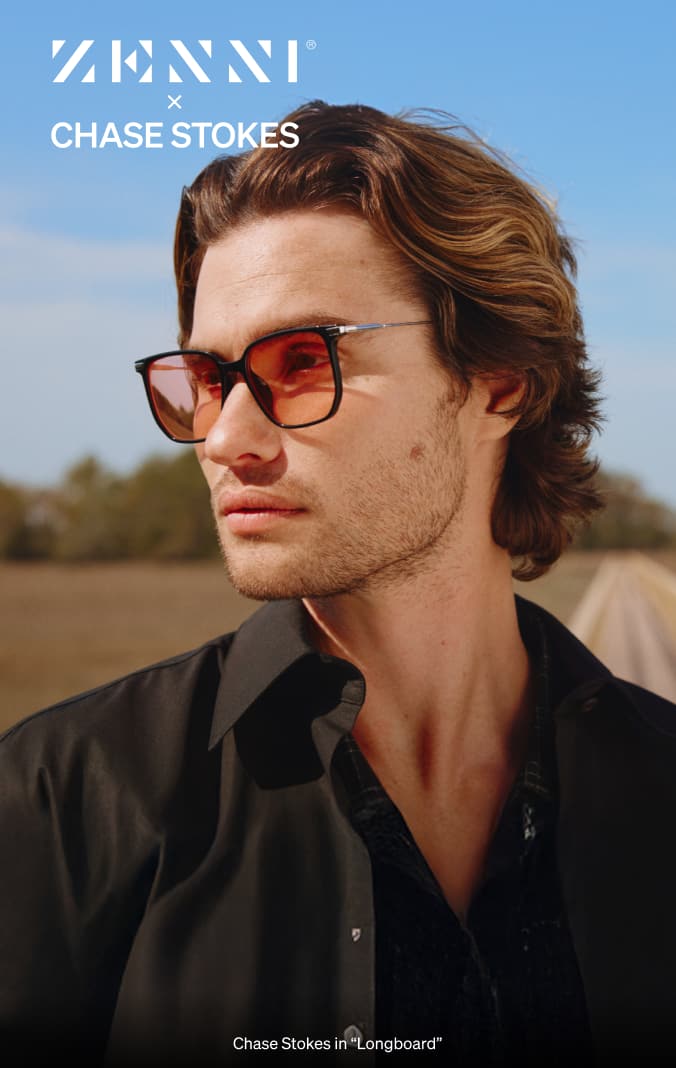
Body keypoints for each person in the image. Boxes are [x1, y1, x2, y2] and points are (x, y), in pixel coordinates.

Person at [2, 101, 675, 1067]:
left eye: (302, 361)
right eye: (206, 376)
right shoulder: (60, 805)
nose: (226, 438)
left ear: (499, 384)